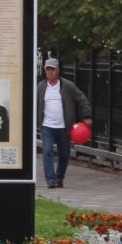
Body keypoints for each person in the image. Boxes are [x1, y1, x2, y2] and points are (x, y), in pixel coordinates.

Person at [36, 57, 92, 189]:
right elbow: (34, 102)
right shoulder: (41, 87)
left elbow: (82, 99)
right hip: (47, 126)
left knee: (65, 153)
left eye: (52, 69)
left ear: (58, 70)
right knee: (48, 151)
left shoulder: (67, 86)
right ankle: (50, 179)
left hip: (64, 127)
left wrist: (87, 115)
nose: (50, 72)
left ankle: (59, 177)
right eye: (47, 69)